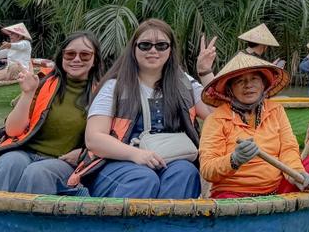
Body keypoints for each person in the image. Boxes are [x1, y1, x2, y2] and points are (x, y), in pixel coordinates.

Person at [70, 20, 217, 199]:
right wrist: (136, 155)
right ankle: (124, 227)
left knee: (185, 172)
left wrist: (205, 72)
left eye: (161, 45)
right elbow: (93, 138)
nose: (153, 51)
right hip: (117, 163)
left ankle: (166, 226)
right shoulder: (114, 87)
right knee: (143, 178)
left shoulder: (183, 83)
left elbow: (216, 115)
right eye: (145, 45)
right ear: (134, 49)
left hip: (171, 159)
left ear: (170, 50)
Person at [0, 31, 106, 194]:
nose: (76, 59)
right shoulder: (42, 82)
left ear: (95, 60)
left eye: (85, 55)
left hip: (64, 162)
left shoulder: (104, 94)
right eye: (70, 54)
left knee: (37, 173)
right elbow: (12, 131)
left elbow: (112, 137)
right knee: (8, 163)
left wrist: (85, 154)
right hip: (26, 152)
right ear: (62, 57)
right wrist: (28, 93)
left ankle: (26, 220)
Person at [199, 53, 309, 197]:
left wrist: (297, 174)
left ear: (263, 84)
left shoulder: (276, 110)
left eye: (254, 78)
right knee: (227, 201)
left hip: (277, 190)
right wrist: (234, 160)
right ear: (230, 89)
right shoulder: (216, 119)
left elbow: (288, 148)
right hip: (233, 194)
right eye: (240, 81)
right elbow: (207, 169)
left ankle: (287, 200)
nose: (248, 85)